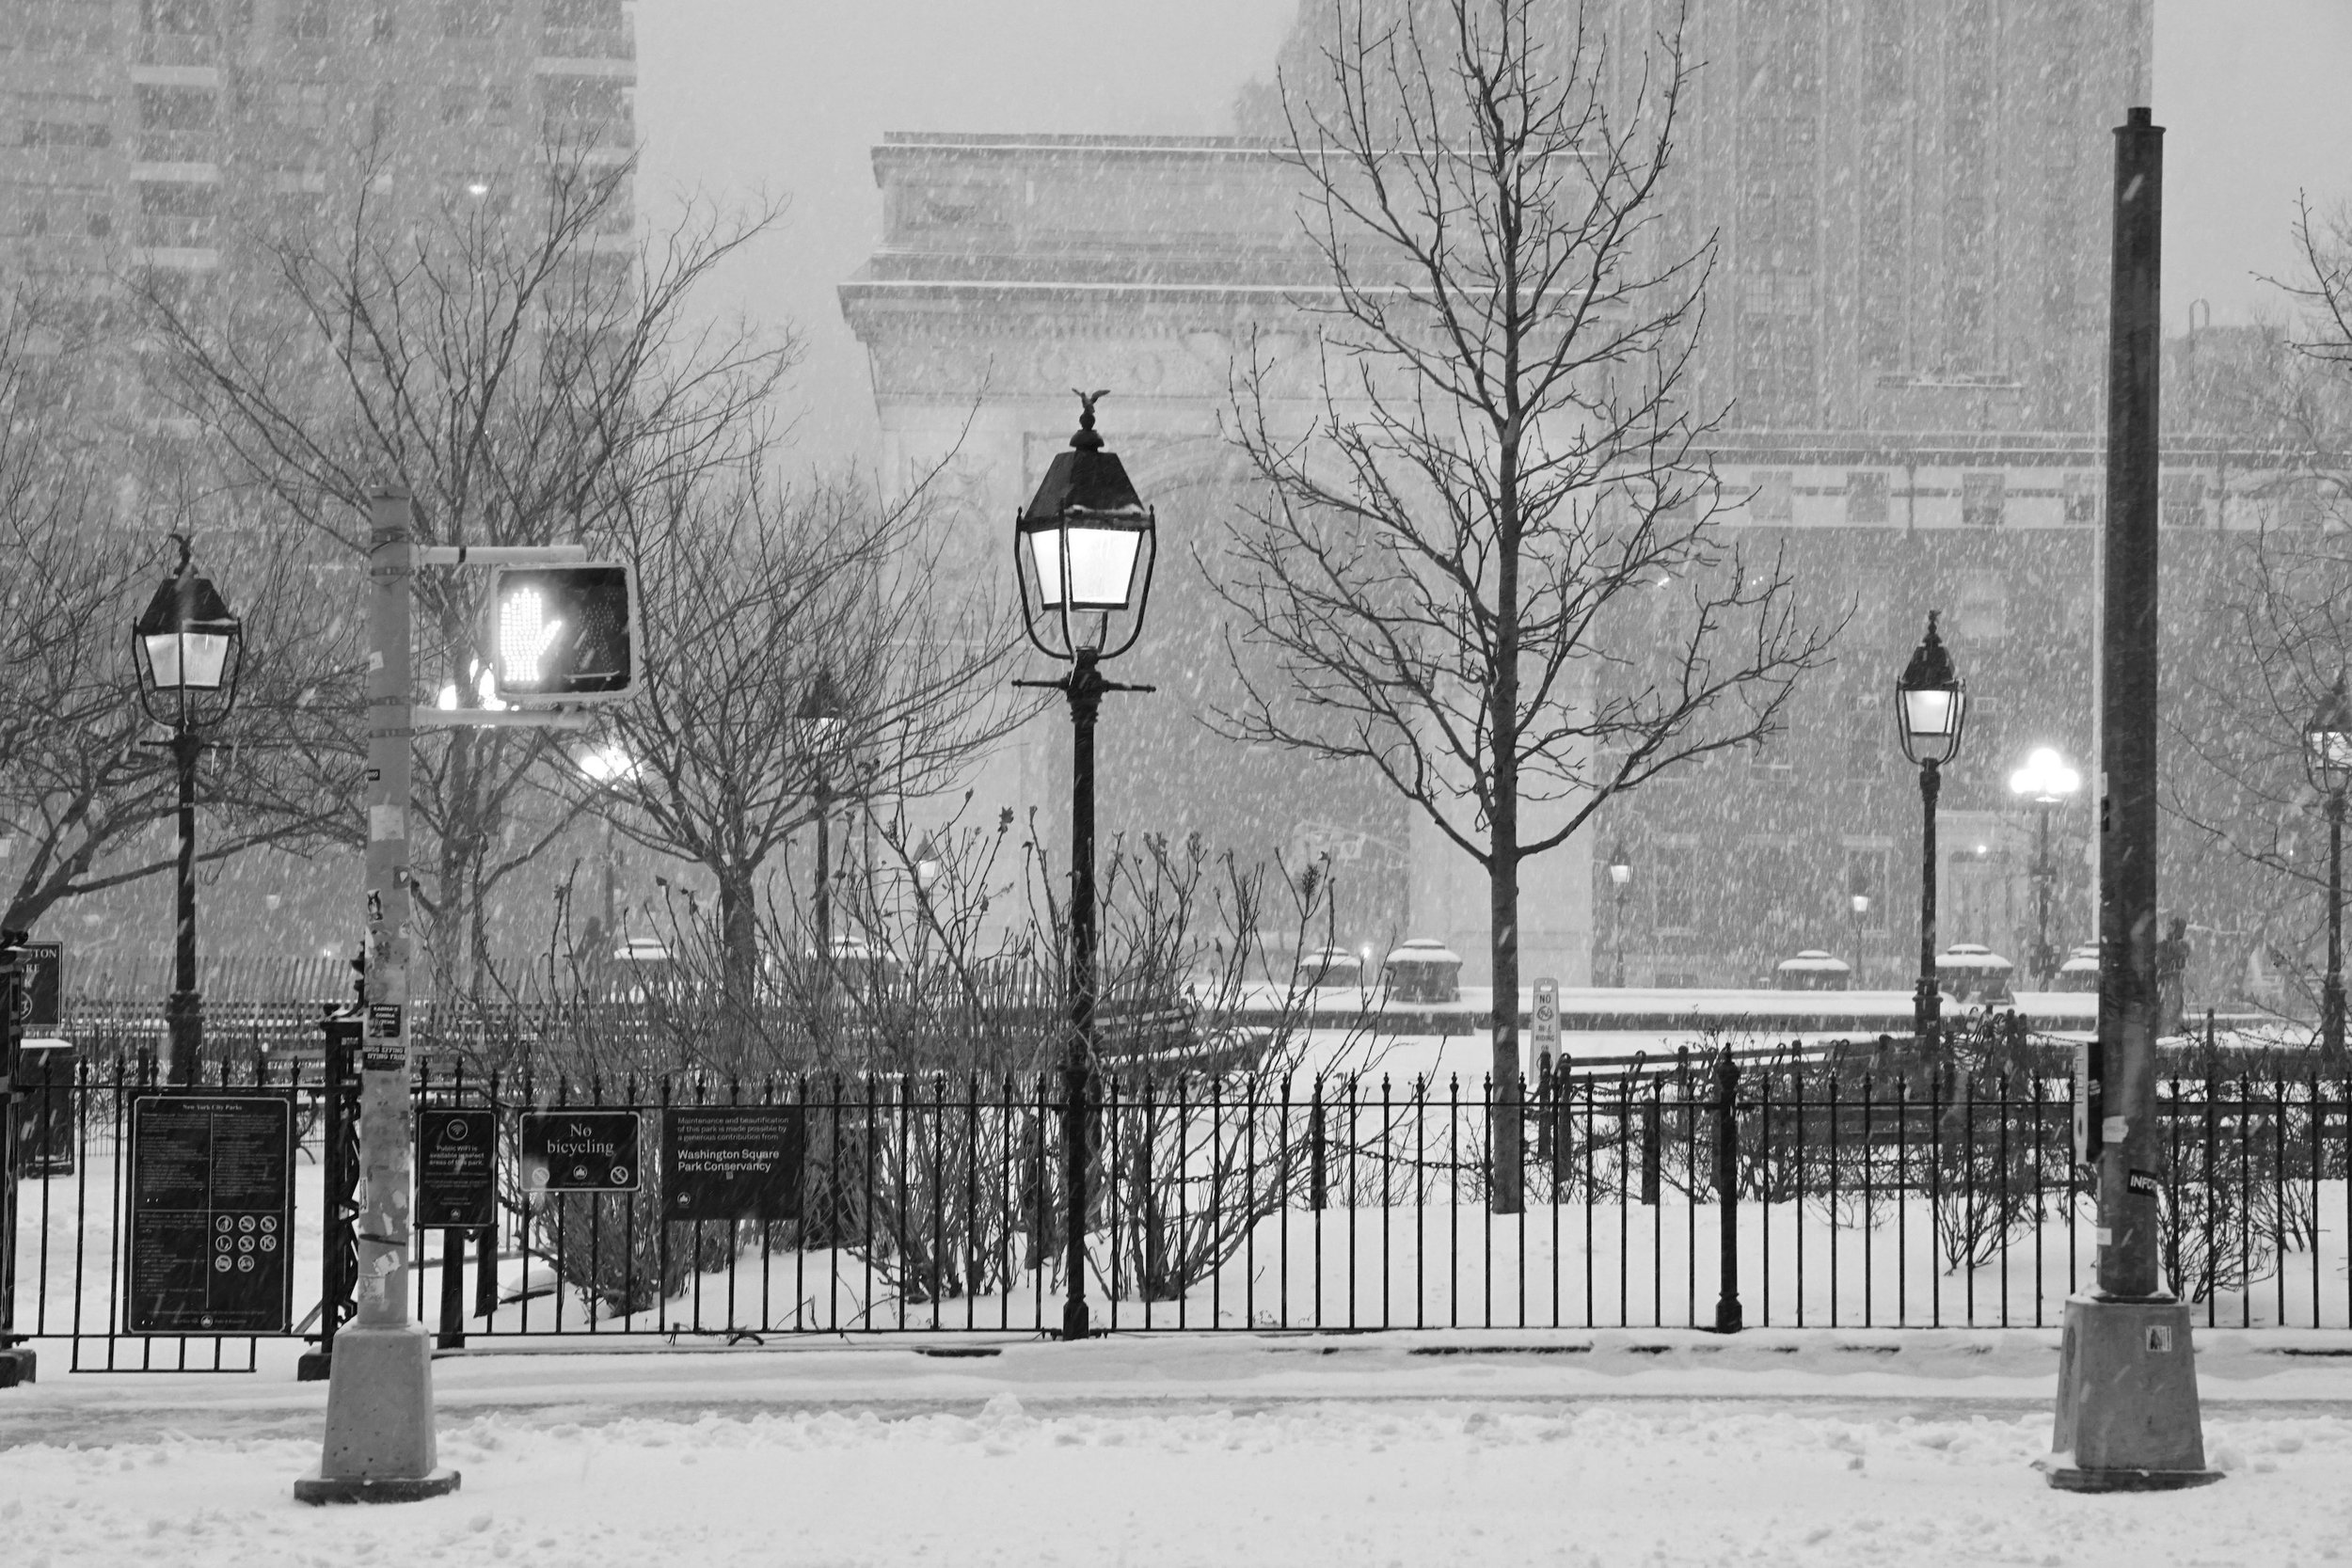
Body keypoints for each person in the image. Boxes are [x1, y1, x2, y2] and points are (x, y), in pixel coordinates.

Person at [2155, 914, 2191, 1038]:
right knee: (2164, 1013)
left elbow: (2179, 958)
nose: (2168, 928)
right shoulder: (2162, 946)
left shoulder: (2180, 947)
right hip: (2163, 985)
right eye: (2168, 925)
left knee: (2171, 1013)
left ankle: (2169, 1035)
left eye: (2171, 926)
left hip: (2171, 985)